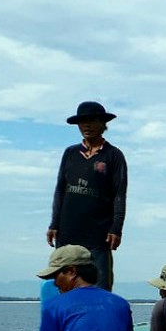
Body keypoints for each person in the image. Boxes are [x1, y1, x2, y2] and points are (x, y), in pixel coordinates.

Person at [48, 101, 128, 291]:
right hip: (67, 232)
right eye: (82, 122)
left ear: (102, 123)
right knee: (64, 286)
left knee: (100, 286)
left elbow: (119, 193)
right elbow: (60, 189)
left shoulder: (114, 156)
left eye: (91, 121)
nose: (86, 126)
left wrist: (116, 228)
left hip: (99, 234)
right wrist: (54, 223)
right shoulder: (70, 153)